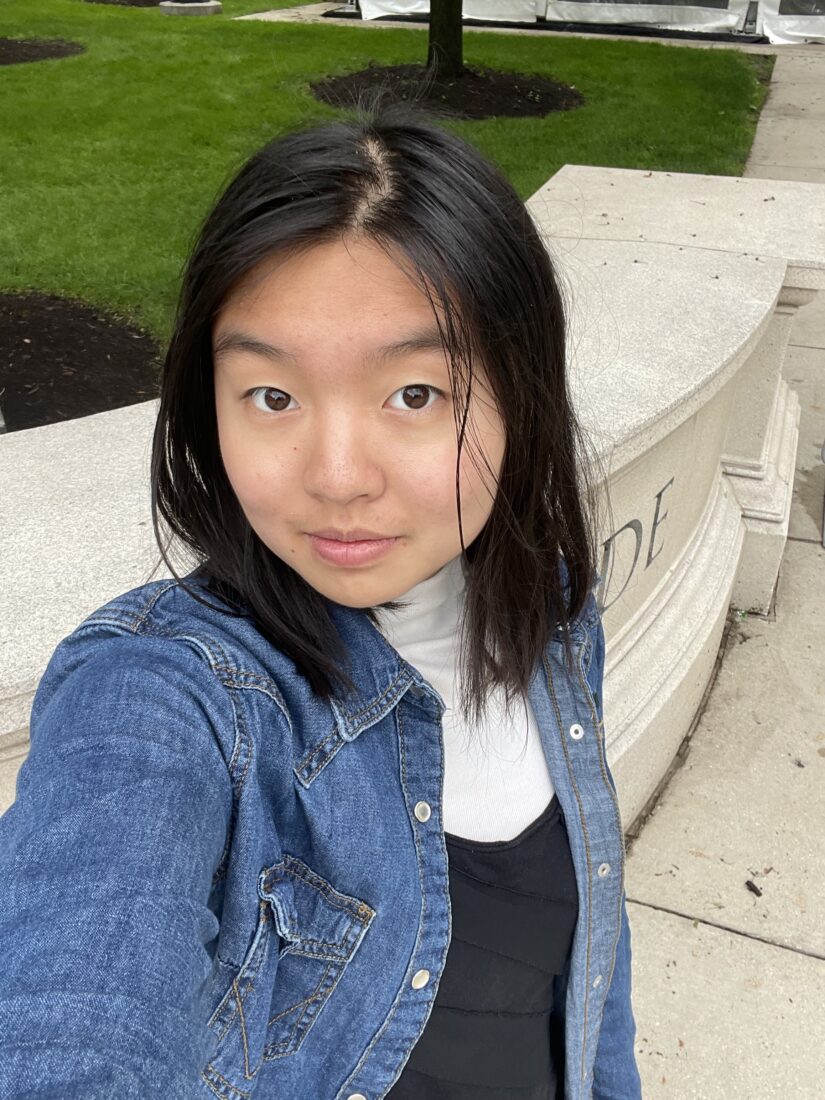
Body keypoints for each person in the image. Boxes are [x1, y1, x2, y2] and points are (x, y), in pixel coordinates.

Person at [0, 93, 641, 1099]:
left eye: (415, 394)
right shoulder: (172, 694)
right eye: (272, 396)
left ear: (523, 391)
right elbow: (74, 1008)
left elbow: (595, 964)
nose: (337, 476)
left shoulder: (554, 612)